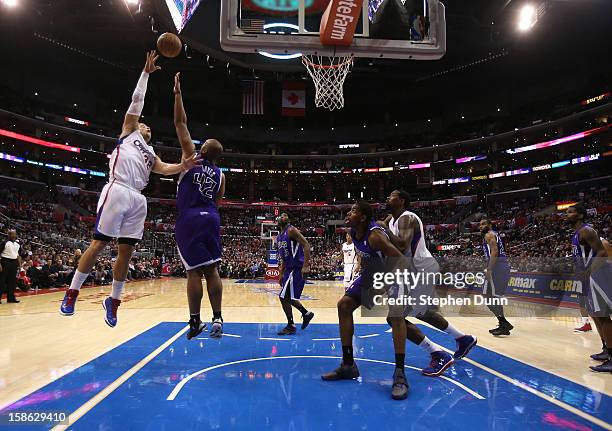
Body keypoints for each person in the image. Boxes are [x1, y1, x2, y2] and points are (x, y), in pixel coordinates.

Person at [59, 52, 201, 327]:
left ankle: (114, 301)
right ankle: (72, 291)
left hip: (138, 199)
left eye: (147, 125)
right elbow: (137, 101)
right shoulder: (128, 132)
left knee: (126, 252)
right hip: (118, 189)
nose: (145, 125)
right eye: (143, 123)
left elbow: (167, 169)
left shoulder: (150, 154)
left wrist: (186, 164)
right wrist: (146, 73)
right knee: (100, 243)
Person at [321, 201, 410, 401]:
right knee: (344, 305)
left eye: (353, 210)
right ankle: (348, 365)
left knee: (396, 315)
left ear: (362, 218)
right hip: (373, 272)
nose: (348, 212)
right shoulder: (353, 233)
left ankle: (400, 374)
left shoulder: (374, 236)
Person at [380, 190, 476, 375]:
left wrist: (382, 229)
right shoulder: (392, 219)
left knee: (396, 317)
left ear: (401, 200)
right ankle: (461, 339)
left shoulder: (407, 218)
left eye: (391, 196)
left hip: (419, 268)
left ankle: (439, 353)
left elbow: (401, 245)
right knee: (414, 314)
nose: (387, 198)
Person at [173, 72, 224, 339]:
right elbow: (217, 202)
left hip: (190, 217)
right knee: (212, 269)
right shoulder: (221, 175)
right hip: (211, 217)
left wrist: (178, 94)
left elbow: (180, 123)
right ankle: (218, 318)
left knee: (193, 271)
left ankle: (195, 321)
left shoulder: (190, 158)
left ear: (203, 149)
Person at [566, 204, 612, 372]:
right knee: (596, 315)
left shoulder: (586, 231)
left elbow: (601, 253)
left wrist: (587, 272)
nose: (567, 215)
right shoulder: (576, 234)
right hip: (589, 278)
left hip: (597, 277)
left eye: (570, 212)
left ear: (580, 215)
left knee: (604, 316)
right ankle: (606, 349)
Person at [275, 212, 315, 335]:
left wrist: (306, 265)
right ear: (277, 220)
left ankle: (291, 325)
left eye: (286, 215)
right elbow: (283, 257)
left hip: (297, 268)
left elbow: (306, 244)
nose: (284, 215)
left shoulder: (291, 230)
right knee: (287, 297)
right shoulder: (279, 237)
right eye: (281, 215)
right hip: (288, 269)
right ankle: (306, 314)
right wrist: (281, 273)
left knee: (284, 297)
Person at [480, 219, 513, 336]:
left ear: (489, 225)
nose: (480, 226)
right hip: (501, 267)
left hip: (497, 268)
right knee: (493, 296)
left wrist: (489, 269)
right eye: (479, 225)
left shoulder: (489, 235)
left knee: (489, 296)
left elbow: (494, 251)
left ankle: (503, 323)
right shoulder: (494, 235)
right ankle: (503, 324)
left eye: (483, 224)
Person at [0, 229, 21, 303]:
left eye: (14, 234)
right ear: (8, 235)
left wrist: (19, 265)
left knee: (12, 282)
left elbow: (18, 255)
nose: (13, 235)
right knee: (1, 281)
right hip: (5, 262)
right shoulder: (4, 243)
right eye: (12, 234)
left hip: (14, 262)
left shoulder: (17, 244)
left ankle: (11, 299)